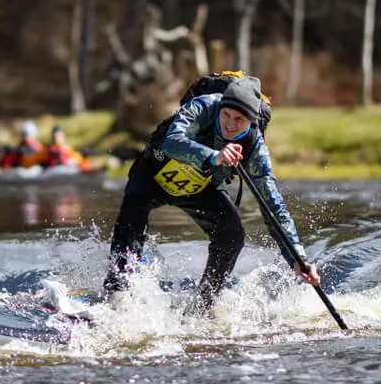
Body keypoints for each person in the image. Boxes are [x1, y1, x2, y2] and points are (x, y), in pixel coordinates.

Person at [101, 75, 321, 314]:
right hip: (153, 173)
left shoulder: (256, 149)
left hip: (198, 187)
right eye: (226, 114)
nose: (230, 124)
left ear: (251, 122)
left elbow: (274, 208)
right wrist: (213, 156)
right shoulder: (204, 106)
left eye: (240, 120)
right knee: (134, 207)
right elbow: (172, 142)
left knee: (232, 233)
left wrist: (297, 259)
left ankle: (203, 304)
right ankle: (118, 290)